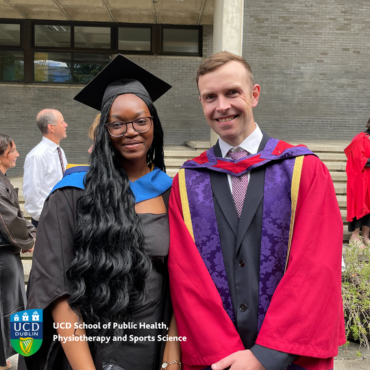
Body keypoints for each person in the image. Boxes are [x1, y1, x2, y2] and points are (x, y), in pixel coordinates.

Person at [168, 52, 345, 370]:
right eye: (210, 97)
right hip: (217, 360)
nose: (221, 106)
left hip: (289, 357)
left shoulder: (303, 170)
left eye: (232, 92)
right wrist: (223, 353)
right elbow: (186, 277)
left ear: (254, 94)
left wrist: (265, 356)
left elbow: (316, 268)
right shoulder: (187, 182)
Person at [19, 55, 180, 370]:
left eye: (140, 120)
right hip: (85, 355)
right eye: (118, 123)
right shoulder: (72, 194)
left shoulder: (173, 193)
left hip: (152, 350)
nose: (130, 131)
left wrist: (171, 360)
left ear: (153, 124)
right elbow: (54, 289)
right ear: (105, 129)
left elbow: (183, 284)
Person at [0, 134, 36, 370]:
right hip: (3, 255)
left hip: (7, 252)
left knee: (9, 306)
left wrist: (29, 235)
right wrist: (27, 240)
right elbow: (8, 219)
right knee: (8, 306)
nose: (17, 154)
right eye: (13, 150)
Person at [23, 109, 68, 227]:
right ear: (51, 127)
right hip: (47, 220)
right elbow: (31, 194)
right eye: (62, 122)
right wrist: (46, 218)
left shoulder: (60, 151)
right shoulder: (37, 156)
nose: (66, 125)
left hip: (61, 216)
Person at [344, 118, 370, 246]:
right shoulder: (361, 138)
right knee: (359, 205)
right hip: (360, 179)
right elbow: (356, 158)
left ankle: (365, 236)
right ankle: (355, 236)